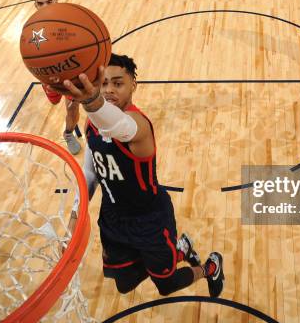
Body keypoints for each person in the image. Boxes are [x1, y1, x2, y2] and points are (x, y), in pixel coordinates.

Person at [58, 54, 224, 297]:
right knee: (124, 285)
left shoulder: (138, 125)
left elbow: (119, 127)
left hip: (149, 220)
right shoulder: (91, 123)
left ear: (133, 85)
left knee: (166, 286)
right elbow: (90, 172)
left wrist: (92, 101)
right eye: (104, 83)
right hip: (113, 219)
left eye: (118, 83)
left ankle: (209, 268)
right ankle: (180, 249)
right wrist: (73, 221)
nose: (110, 90)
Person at [33, 0, 82, 155]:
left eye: (49, 1)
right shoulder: (33, 30)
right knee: (54, 102)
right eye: (40, 3)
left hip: (69, 72)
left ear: (56, 0)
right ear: (35, 6)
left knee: (72, 107)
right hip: (47, 74)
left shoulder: (69, 22)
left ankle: (68, 134)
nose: (45, 6)